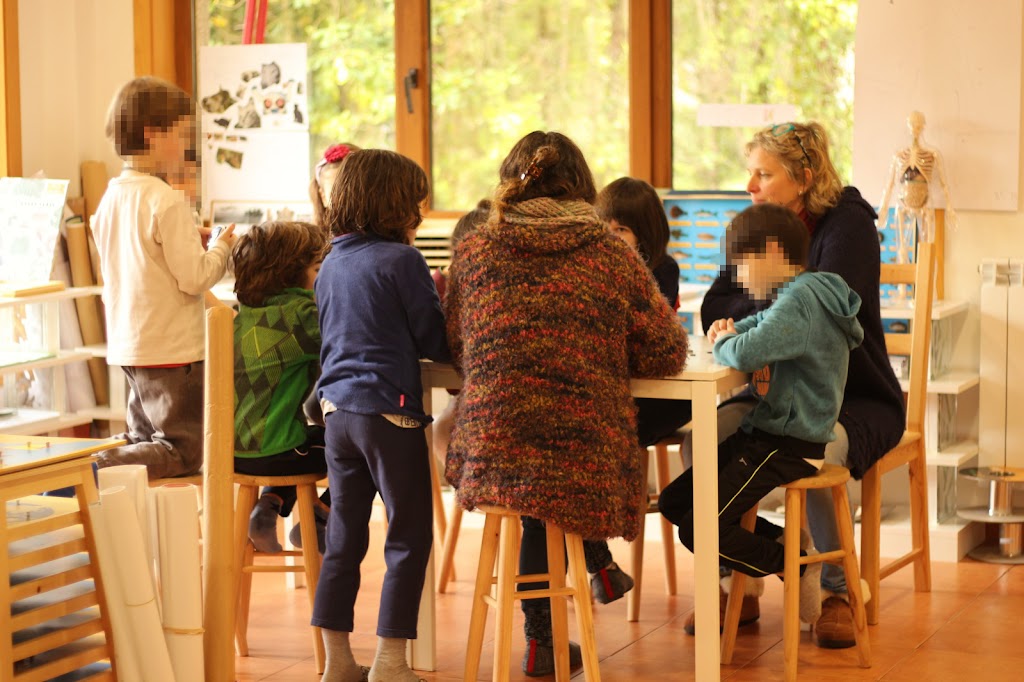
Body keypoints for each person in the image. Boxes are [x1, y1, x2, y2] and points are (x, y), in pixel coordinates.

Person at [444, 131, 688, 677]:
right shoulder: (608, 252)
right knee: (551, 473)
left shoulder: (475, 249)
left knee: (534, 484)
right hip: (584, 449)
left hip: (492, 442)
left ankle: (544, 642)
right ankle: (554, 628)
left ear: (510, 182)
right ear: (583, 189)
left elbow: (457, 342)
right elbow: (667, 350)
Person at [692, 121, 905, 647]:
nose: (751, 185)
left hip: (855, 396)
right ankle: (736, 578)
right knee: (704, 437)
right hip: (776, 391)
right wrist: (758, 316)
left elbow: (818, 319)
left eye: (764, 173)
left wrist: (752, 320)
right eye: (751, 173)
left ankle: (835, 590)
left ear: (804, 176)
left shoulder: (848, 227)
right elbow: (714, 304)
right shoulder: (761, 224)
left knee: (812, 446)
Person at [660, 202, 864, 626]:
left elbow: (750, 351)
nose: (737, 278)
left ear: (771, 252)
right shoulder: (799, 296)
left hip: (786, 444)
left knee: (700, 528)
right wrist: (730, 329)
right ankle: (789, 548)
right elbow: (759, 326)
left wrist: (724, 343)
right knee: (675, 501)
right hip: (769, 434)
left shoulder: (801, 299)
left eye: (741, 265)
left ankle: (795, 563)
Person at [311, 149, 450, 682]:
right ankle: (391, 663)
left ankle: (337, 663)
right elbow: (433, 339)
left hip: (337, 413)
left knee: (344, 539)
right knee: (409, 536)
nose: (420, 214)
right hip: (390, 415)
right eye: (417, 203)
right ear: (395, 205)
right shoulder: (402, 261)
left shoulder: (332, 263)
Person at [92, 76, 236, 479]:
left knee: (145, 442)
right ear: (152, 135)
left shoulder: (111, 197)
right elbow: (194, 277)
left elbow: (142, 257)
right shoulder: (165, 199)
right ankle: (96, 467)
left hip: (129, 345)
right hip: (172, 349)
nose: (186, 145)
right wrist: (222, 246)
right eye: (182, 134)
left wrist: (194, 238)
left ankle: (105, 471)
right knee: (184, 452)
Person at [231, 221, 331, 554]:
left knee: (303, 436)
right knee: (365, 448)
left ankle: (268, 504)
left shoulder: (242, 316)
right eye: (318, 269)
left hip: (234, 455)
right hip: (279, 454)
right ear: (293, 275)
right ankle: (321, 519)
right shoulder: (302, 317)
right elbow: (347, 341)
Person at [310, 142, 360, 234]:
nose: (348, 200)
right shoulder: (318, 243)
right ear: (323, 197)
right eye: (337, 193)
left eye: (356, 190)